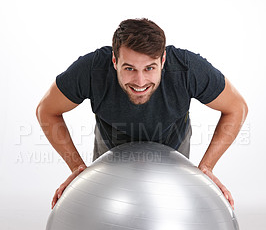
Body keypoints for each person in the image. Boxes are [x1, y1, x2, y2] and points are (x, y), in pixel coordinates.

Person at [36, 18, 248, 210]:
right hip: (112, 143)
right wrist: (77, 167)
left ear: (163, 60)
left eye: (149, 68)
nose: (140, 82)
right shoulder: (92, 69)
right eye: (129, 68)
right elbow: (46, 110)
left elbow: (237, 108)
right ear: (114, 61)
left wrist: (206, 168)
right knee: (109, 209)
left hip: (172, 143)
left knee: (165, 209)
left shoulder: (187, 69)